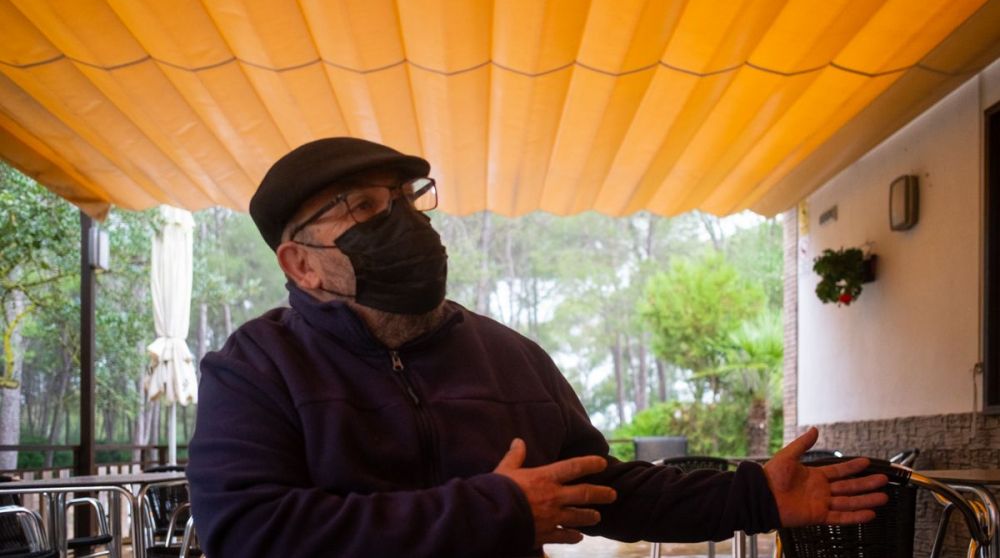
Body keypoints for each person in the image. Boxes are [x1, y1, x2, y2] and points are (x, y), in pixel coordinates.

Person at [187, 137, 888, 557]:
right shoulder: (255, 368)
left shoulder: (509, 355)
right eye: (364, 207)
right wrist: (496, 509)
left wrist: (752, 495)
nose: (399, 218)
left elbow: (598, 489)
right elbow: (251, 534)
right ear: (301, 265)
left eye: (405, 198)